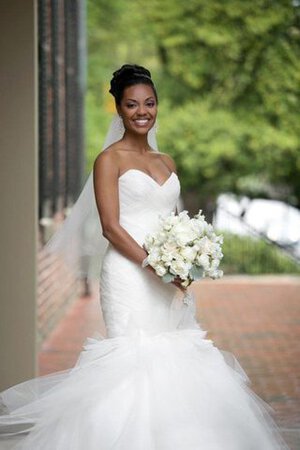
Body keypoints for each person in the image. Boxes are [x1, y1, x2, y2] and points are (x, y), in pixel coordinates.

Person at [0, 64, 290, 449]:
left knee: (177, 358)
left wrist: (186, 259)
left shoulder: (166, 162)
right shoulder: (109, 160)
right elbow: (111, 227)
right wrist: (154, 265)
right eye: (132, 104)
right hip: (128, 276)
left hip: (168, 279)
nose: (142, 112)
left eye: (149, 103)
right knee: (133, 361)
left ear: (157, 106)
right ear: (119, 109)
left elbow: (173, 222)